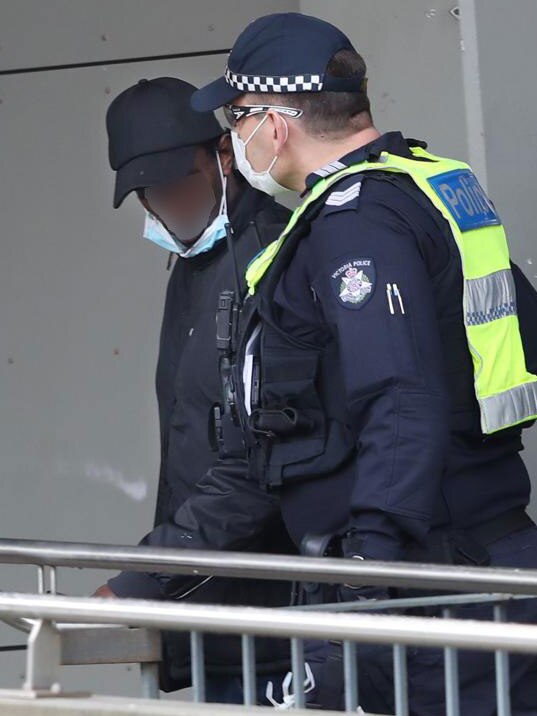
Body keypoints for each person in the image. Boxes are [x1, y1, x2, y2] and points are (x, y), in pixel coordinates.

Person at [185, 12, 537, 714]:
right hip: (474, 562)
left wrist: (367, 575)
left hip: (424, 593)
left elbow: (399, 397)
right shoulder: (435, 186)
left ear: (274, 122)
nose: (233, 136)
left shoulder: (357, 223)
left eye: (236, 116)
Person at [95, 76, 295, 703]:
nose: (168, 202)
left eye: (181, 181)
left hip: (281, 618)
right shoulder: (194, 266)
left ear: (225, 155)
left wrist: (148, 576)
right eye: (152, 193)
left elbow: (258, 463)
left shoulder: (275, 256)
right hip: (220, 612)